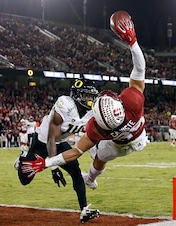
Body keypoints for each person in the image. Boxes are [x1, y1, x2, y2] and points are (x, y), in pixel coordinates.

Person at [20, 10, 149, 192]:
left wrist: (47, 163)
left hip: (115, 146)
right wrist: (133, 41)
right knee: (99, 154)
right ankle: (90, 178)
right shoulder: (133, 103)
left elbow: (73, 153)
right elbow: (140, 70)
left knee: (100, 157)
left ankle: (90, 179)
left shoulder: (97, 129)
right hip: (139, 136)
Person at [15, 78, 100, 223]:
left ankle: (84, 210)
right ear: (78, 95)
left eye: (91, 96)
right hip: (43, 141)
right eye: (86, 96)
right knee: (25, 179)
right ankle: (22, 159)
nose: (90, 100)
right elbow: (50, 139)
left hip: (60, 142)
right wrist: (54, 167)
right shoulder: (64, 105)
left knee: (75, 171)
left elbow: (92, 135)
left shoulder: (91, 113)